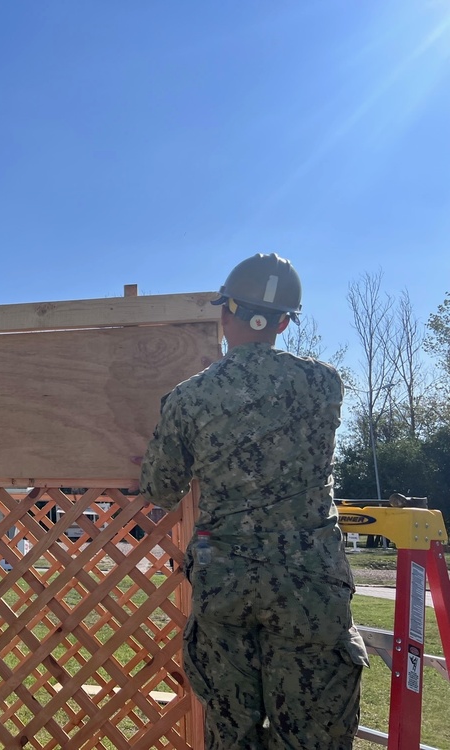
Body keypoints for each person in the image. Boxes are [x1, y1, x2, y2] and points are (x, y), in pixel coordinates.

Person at [138, 253, 369, 749]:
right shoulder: (324, 382)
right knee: (312, 738)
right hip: (311, 584)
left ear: (225, 315)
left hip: (227, 583)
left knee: (232, 735)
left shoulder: (189, 397)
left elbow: (160, 488)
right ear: (285, 322)